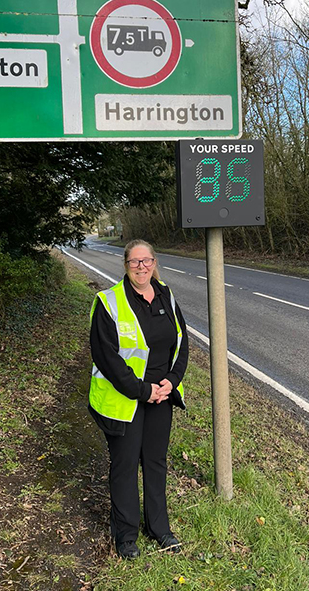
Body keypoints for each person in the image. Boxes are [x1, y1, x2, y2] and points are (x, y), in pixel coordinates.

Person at [88, 239, 189, 559]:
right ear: (126, 265)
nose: (141, 267)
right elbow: (107, 358)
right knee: (125, 465)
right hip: (125, 398)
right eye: (135, 262)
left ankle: (159, 529)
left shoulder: (166, 295)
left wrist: (170, 383)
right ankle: (126, 535)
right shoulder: (108, 302)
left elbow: (182, 343)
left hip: (162, 396)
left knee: (156, 463)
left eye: (147, 261)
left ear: (154, 262)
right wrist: (144, 390)